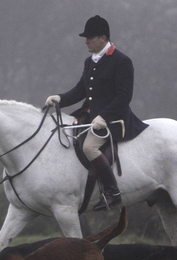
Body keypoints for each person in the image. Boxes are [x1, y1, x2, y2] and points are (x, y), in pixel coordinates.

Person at [45, 15, 148, 211]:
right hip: (91, 117)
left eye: (90, 37)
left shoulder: (121, 61)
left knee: (89, 148)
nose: (86, 41)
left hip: (114, 119)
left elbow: (124, 96)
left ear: (103, 38)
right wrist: (60, 98)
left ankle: (112, 192)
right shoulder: (89, 62)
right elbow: (80, 91)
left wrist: (104, 117)